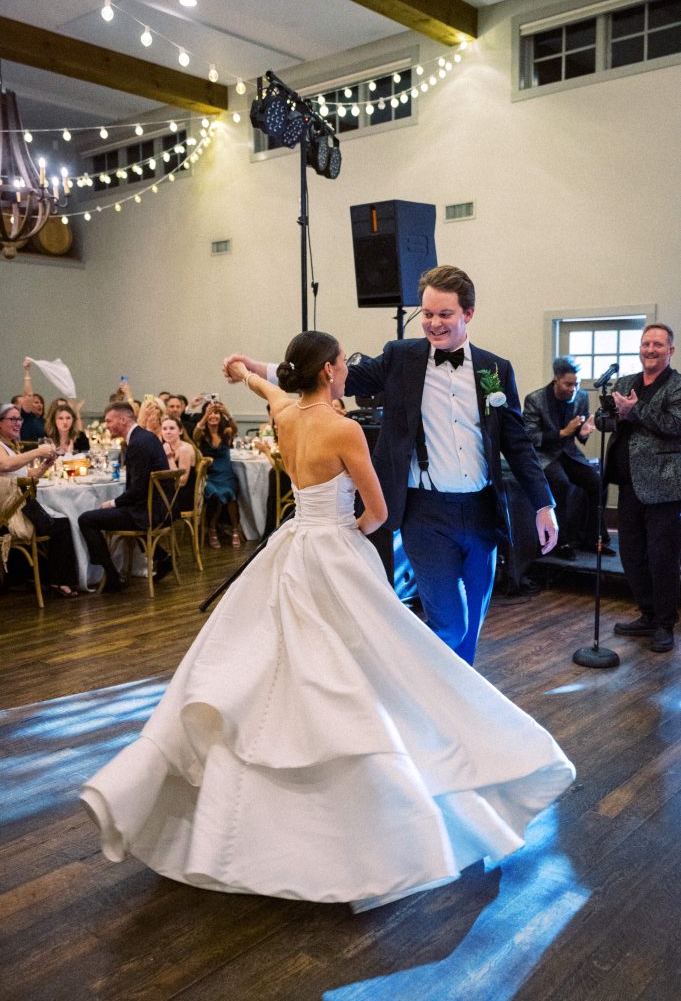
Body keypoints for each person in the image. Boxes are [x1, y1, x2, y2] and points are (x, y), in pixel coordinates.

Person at [80, 330, 575, 913]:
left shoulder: (286, 414)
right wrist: (351, 535)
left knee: (275, 664)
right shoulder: (343, 430)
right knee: (368, 661)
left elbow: (271, 388)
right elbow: (379, 512)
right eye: (342, 365)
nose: (347, 372)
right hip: (334, 546)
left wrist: (245, 371)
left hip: (292, 546)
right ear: (331, 370)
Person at [226, 266, 557, 664]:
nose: (433, 324)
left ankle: (458, 708)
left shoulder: (495, 369)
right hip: (425, 513)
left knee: (472, 625)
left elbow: (518, 443)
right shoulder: (402, 358)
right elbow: (331, 377)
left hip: (482, 511)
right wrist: (256, 368)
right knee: (449, 622)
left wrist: (544, 504)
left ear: (468, 313)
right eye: (428, 314)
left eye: (444, 315)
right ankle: (431, 695)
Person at [605, 323, 681, 653]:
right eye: (645, 343)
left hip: (664, 487)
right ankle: (647, 614)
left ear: (670, 351)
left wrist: (634, 412)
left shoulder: (677, 386)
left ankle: (665, 624)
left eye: (658, 345)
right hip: (628, 485)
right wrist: (607, 414)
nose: (650, 349)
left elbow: (675, 425)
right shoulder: (625, 383)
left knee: (662, 557)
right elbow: (609, 420)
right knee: (632, 554)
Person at [523, 356, 614, 560]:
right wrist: (563, 432)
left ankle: (592, 538)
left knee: (597, 482)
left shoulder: (581, 397)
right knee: (560, 483)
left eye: (576, 383)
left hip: (568, 453)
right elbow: (529, 436)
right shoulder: (535, 399)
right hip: (544, 455)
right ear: (556, 380)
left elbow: (578, 433)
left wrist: (583, 432)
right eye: (568, 384)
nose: (573, 388)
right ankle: (561, 541)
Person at [77, 402, 170, 592]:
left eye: (109, 421)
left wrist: (113, 502)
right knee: (115, 510)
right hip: (160, 508)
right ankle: (161, 557)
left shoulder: (137, 444)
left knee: (86, 519)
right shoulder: (147, 437)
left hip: (146, 514)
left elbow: (138, 490)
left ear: (123, 419)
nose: (107, 425)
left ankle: (112, 576)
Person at [0, 402, 79, 597]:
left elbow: (28, 477)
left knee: (61, 520)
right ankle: (57, 581)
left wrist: (45, 465)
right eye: (12, 419)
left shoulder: (11, 446)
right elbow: (5, 465)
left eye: (19, 419)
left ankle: (40, 577)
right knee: (62, 525)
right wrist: (38, 451)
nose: (18, 423)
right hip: (9, 512)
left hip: (20, 504)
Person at [193, 400, 240, 549]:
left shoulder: (226, 433)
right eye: (210, 413)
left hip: (226, 475)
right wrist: (206, 415)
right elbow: (194, 434)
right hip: (210, 477)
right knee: (216, 495)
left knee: (230, 493)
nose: (213, 416)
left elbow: (235, 428)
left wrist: (226, 412)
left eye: (216, 413)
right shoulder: (202, 435)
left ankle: (234, 529)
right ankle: (212, 529)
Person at [161, 416, 196, 512]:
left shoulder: (185, 449)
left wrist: (169, 457)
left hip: (182, 497)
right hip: (170, 493)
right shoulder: (165, 446)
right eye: (164, 429)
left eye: (172, 428)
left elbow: (181, 482)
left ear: (180, 431)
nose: (168, 432)